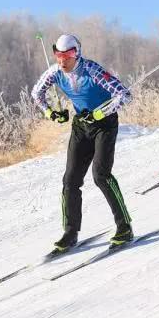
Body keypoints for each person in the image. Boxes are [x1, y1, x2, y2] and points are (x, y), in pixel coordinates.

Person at [31, 34, 133, 252]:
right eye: (58, 55)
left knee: (101, 176)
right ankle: (70, 232)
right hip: (81, 126)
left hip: (104, 124)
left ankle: (124, 227)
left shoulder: (92, 70)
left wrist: (100, 113)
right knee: (70, 179)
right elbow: (36, 92)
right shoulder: (55, 73)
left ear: (76, 54)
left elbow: (124, 95)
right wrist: (51, 113)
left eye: (67, 55)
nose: (62, 60)